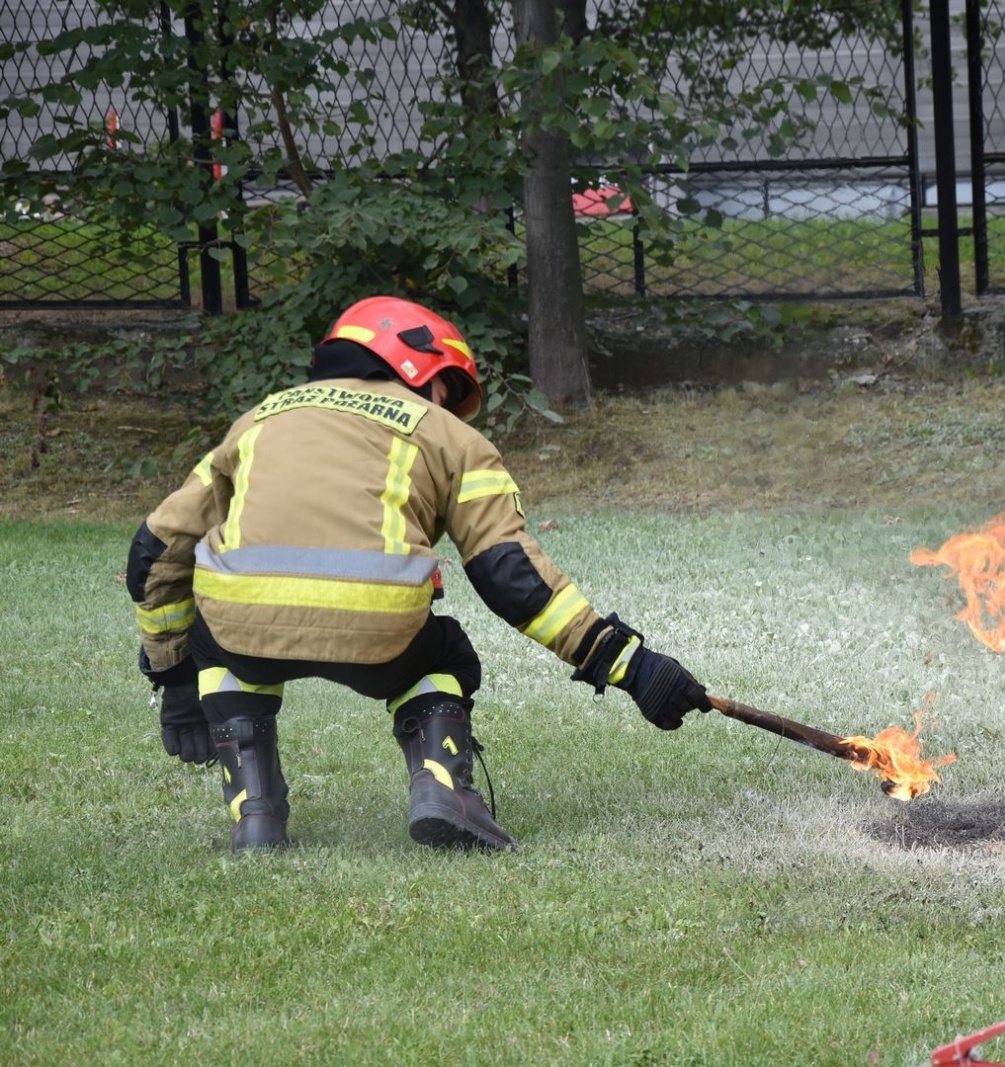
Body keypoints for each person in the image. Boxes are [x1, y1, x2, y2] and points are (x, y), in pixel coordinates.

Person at [127, 296, 712, 854]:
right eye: (445, 388)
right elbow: (509, 574)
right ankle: (440, 786)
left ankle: (253, 815)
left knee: (218, 650)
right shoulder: (451, 437)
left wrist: (175, 677)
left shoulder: (258, 421)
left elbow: (156, 550)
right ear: (417, 365)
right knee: (444, 658)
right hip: (378, 628)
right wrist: (629, 665)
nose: (445, 404)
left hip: (243, 623)